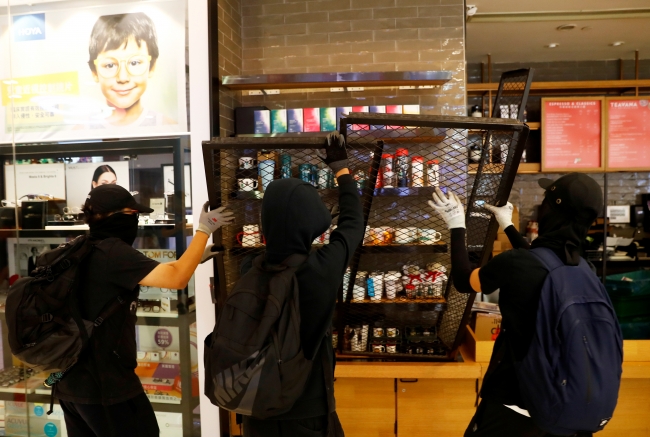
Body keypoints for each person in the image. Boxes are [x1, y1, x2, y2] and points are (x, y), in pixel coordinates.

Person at [429, 173, 603, 437]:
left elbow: (465, 281)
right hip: (568, 403)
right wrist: (507, 224)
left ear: (552, 210)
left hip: (515, 403)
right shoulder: (584, 269)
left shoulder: (518, 263)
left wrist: (456, 225)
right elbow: (542, 261)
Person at [55, 184, 232, 437]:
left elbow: (154, 273)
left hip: (70, 384)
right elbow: (176, 279)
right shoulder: (113, 252)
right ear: (112, 216)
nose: (135, 221)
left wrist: (194, 258)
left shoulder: (81, 247)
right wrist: (204, 230)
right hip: (107, 385)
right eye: (132, 214)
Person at [241, 133, 363, 437]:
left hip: (255, 408)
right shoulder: (321, 270)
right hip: (308, 411)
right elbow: (352, 224)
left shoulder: (249, 267)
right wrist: (342, 171)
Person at [87, 13, 174, 128]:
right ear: (94, 72)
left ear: (151, 66)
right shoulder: (81, 131)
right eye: (110, 65)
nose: (123, 78)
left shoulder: (167, 126)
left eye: (134, 63)